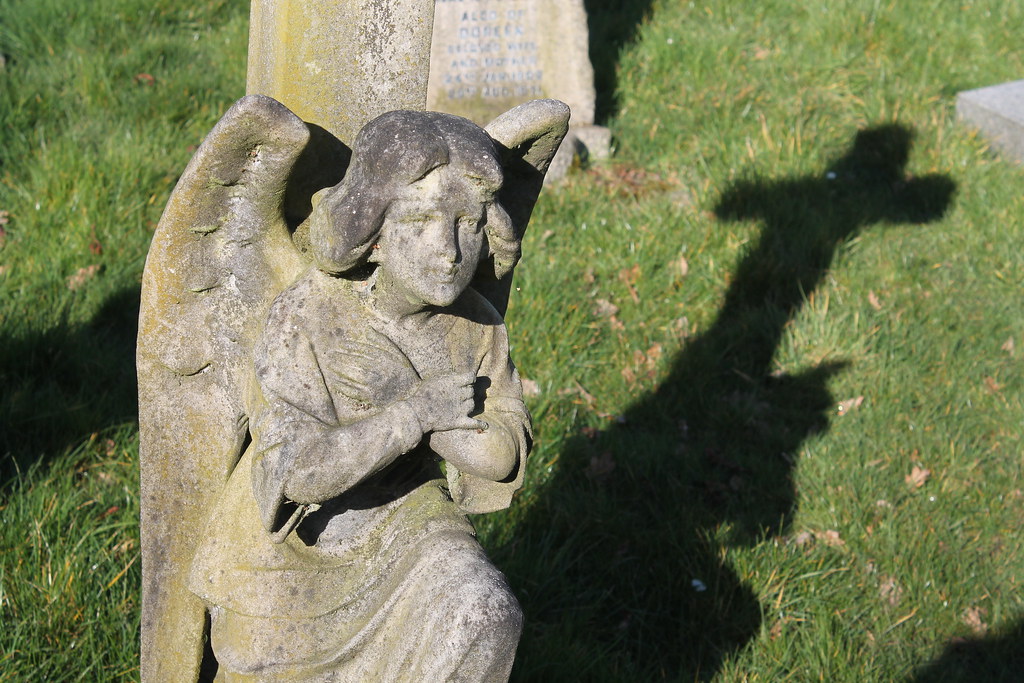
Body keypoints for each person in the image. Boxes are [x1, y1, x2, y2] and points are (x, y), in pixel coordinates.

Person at [187, 111, 531, 681]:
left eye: (468, 224)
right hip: (294, 548)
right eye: (420, 221)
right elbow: (298, 474)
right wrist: (414, 414)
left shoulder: (476, 325)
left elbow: (501, 455)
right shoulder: (309, 314)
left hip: (411, 525)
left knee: (485, 613)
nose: (447, 249)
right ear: (370, 233)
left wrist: (442, 426)